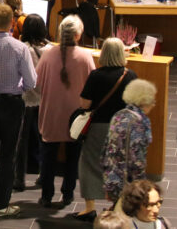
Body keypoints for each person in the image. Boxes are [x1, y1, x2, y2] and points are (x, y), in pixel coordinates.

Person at [0, 4, 36, 217]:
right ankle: (2, 204)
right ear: (12, 22)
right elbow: (31, 82)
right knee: (8, 155)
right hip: (12, 104)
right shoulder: (20, 48)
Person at [36, 15, 95, 209]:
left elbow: (37, 84)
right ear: (78, 35)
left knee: (48, 157)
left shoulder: (47, 55)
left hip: (50, 113)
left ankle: (46, 195)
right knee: (72, 157)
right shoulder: (85, 56)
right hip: (75, 117)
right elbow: (92, 87)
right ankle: (68, 193)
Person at [76, 38, 137, 220]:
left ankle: (89, 208)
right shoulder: (131, 75)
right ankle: (116, 205)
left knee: (90, 163)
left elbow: (85, 103)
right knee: (119, 165)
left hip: (99, 127)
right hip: (123, 128)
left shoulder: (96, 76)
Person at [101, 79, 157, 205]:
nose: (153, 104)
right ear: (144, 101)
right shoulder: (140, 122)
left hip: (112, 178)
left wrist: (107, 182)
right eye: (152, 100)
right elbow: (137, 158)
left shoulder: (118, 115)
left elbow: (106, 149)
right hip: (129, 184)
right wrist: (142, 186)